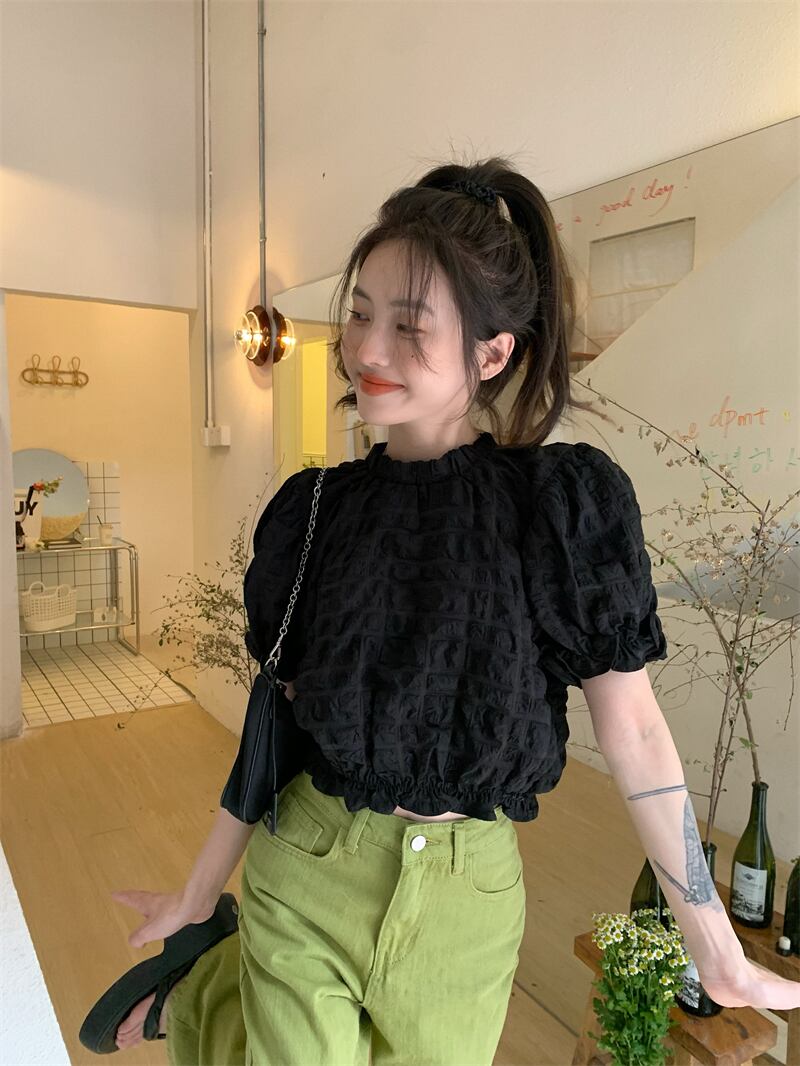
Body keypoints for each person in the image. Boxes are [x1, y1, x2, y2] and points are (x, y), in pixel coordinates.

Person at [97, 154, 668, 1064]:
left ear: (492, 352)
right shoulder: (316, 511)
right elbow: (276, 722)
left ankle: (214, 986)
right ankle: (213, 980)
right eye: (361, 314)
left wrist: (713, 939)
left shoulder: (558, 507)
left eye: (409, 327)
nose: (366, 350)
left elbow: (632, 727)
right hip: (311, 857)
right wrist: (201, 890)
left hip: (468, 903)